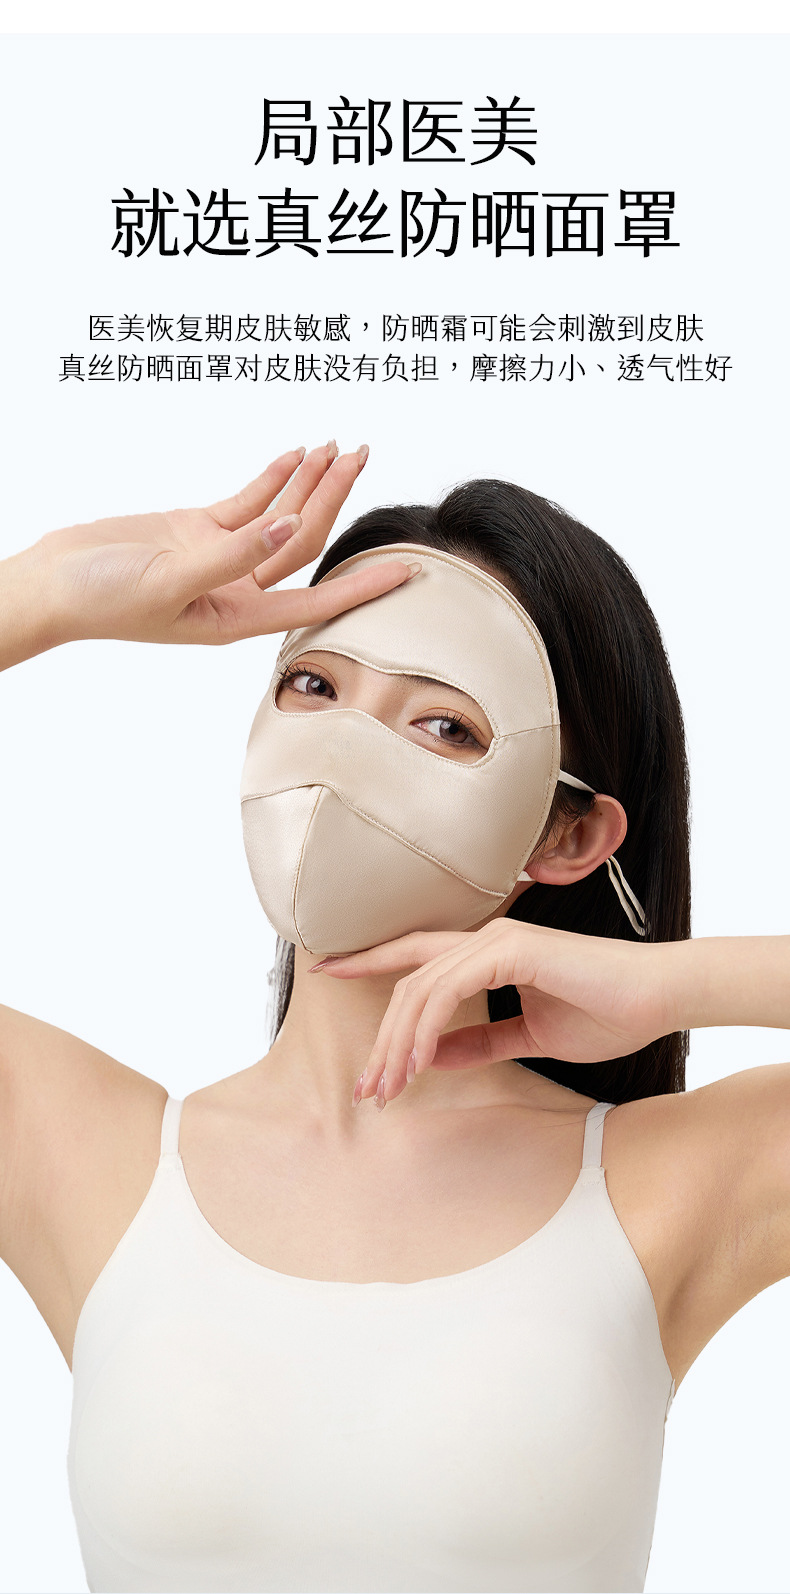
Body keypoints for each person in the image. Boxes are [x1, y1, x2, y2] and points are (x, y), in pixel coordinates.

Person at [0, 438, 788, 1594]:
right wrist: (43, 593)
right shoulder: (82, 1152)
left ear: (569, 835)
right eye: (313, 686)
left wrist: (674, 983)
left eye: (444, 725)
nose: (338, 748)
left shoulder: (665, 1183)